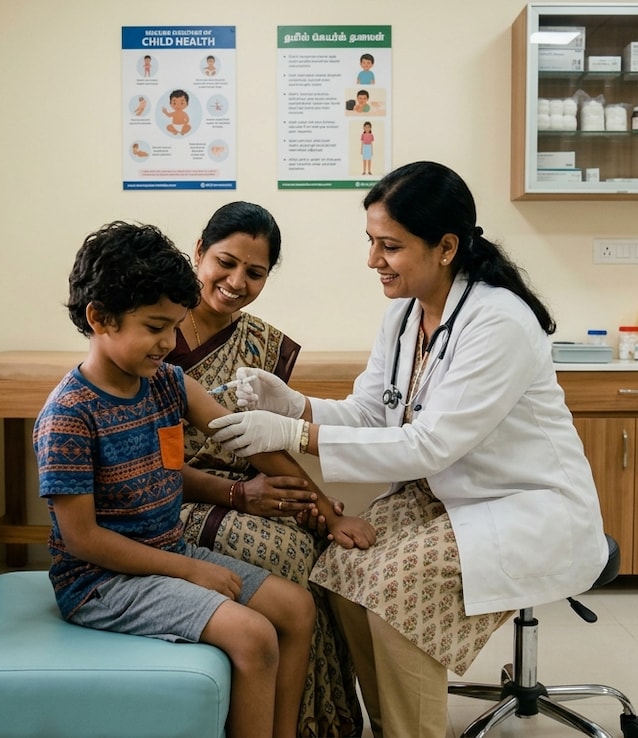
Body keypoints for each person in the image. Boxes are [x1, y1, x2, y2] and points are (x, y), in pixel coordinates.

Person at [207, 161, 608, 738]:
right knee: (341, 567)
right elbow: (372, 412)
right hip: (445, 496)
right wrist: (294, 405)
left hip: (526, 505)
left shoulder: (498, 321)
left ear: (445, 247)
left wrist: (292, 435)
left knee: (397, 591)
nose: (373, 260)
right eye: (372, 242)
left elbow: (429, 445)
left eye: (389, 246)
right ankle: (396, 725)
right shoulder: (404, 314)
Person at [34, 220, 374, 738]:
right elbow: (82, 540)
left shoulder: (166, 383)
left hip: (163, 548)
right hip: (100, 583)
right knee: (255, 637)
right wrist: (188, 571)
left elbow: (249, 441)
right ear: (100, 319)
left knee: (297, 607)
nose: (168, 343)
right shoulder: (69, 415)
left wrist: (327, 511)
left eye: (174, 326)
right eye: (154, 328)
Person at [167, 201, 364, 737]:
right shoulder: (154, 331)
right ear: (199, 253)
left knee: (318, 542)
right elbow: (139, 464)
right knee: (285, 552)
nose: (236, 282)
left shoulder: (260, 343)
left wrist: (321, 508)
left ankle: (317, 721)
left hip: (246, 486)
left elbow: (256, 441)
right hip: (172, 497)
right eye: (225, 263)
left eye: (254, 273)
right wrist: (241, 497)